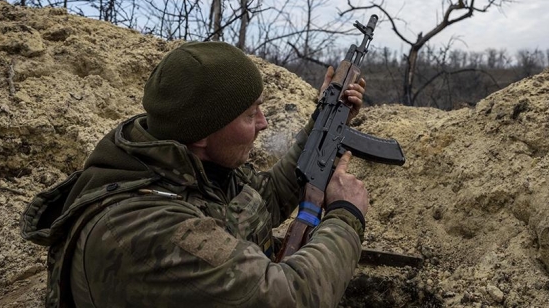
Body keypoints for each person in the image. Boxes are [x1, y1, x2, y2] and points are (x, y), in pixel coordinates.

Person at [21, 41, 369, 307]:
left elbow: (264, 201)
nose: (263, 123)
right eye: (250, 115)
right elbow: (288, 296)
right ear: (204, 132)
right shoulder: (147, 230)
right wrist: (345, 215)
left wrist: (323, 123)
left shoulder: (186, 163)